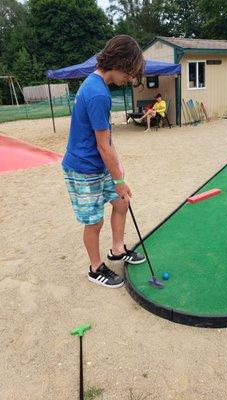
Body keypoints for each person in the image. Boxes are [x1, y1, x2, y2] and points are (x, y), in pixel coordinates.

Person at [62, 35, 146, 289]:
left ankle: (117, 250)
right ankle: (95, 268)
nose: (129, 79)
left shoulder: (95, 85)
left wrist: (118, 170)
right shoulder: (97, 93)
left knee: (121, 202)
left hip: (98, 163)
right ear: (119, 62)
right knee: (94, 220)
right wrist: (119, 179)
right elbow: (102, 144)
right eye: (130, 73)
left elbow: (107, 140)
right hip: (83, 168)